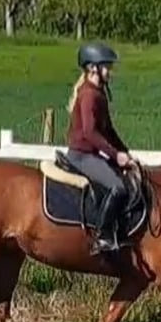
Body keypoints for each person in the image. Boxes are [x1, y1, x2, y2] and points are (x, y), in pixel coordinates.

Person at [65, 42, 134, 254]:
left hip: (91, 155)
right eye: (106, 66)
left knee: (127, 182)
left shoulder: (99, 92)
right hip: (81, 156)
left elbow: (108, 130)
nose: (109, 71)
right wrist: (114, 155)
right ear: (93, 68)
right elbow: (89, 133)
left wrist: (125, 154)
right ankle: (103, 237)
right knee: (118, 188)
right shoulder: (89, 95)